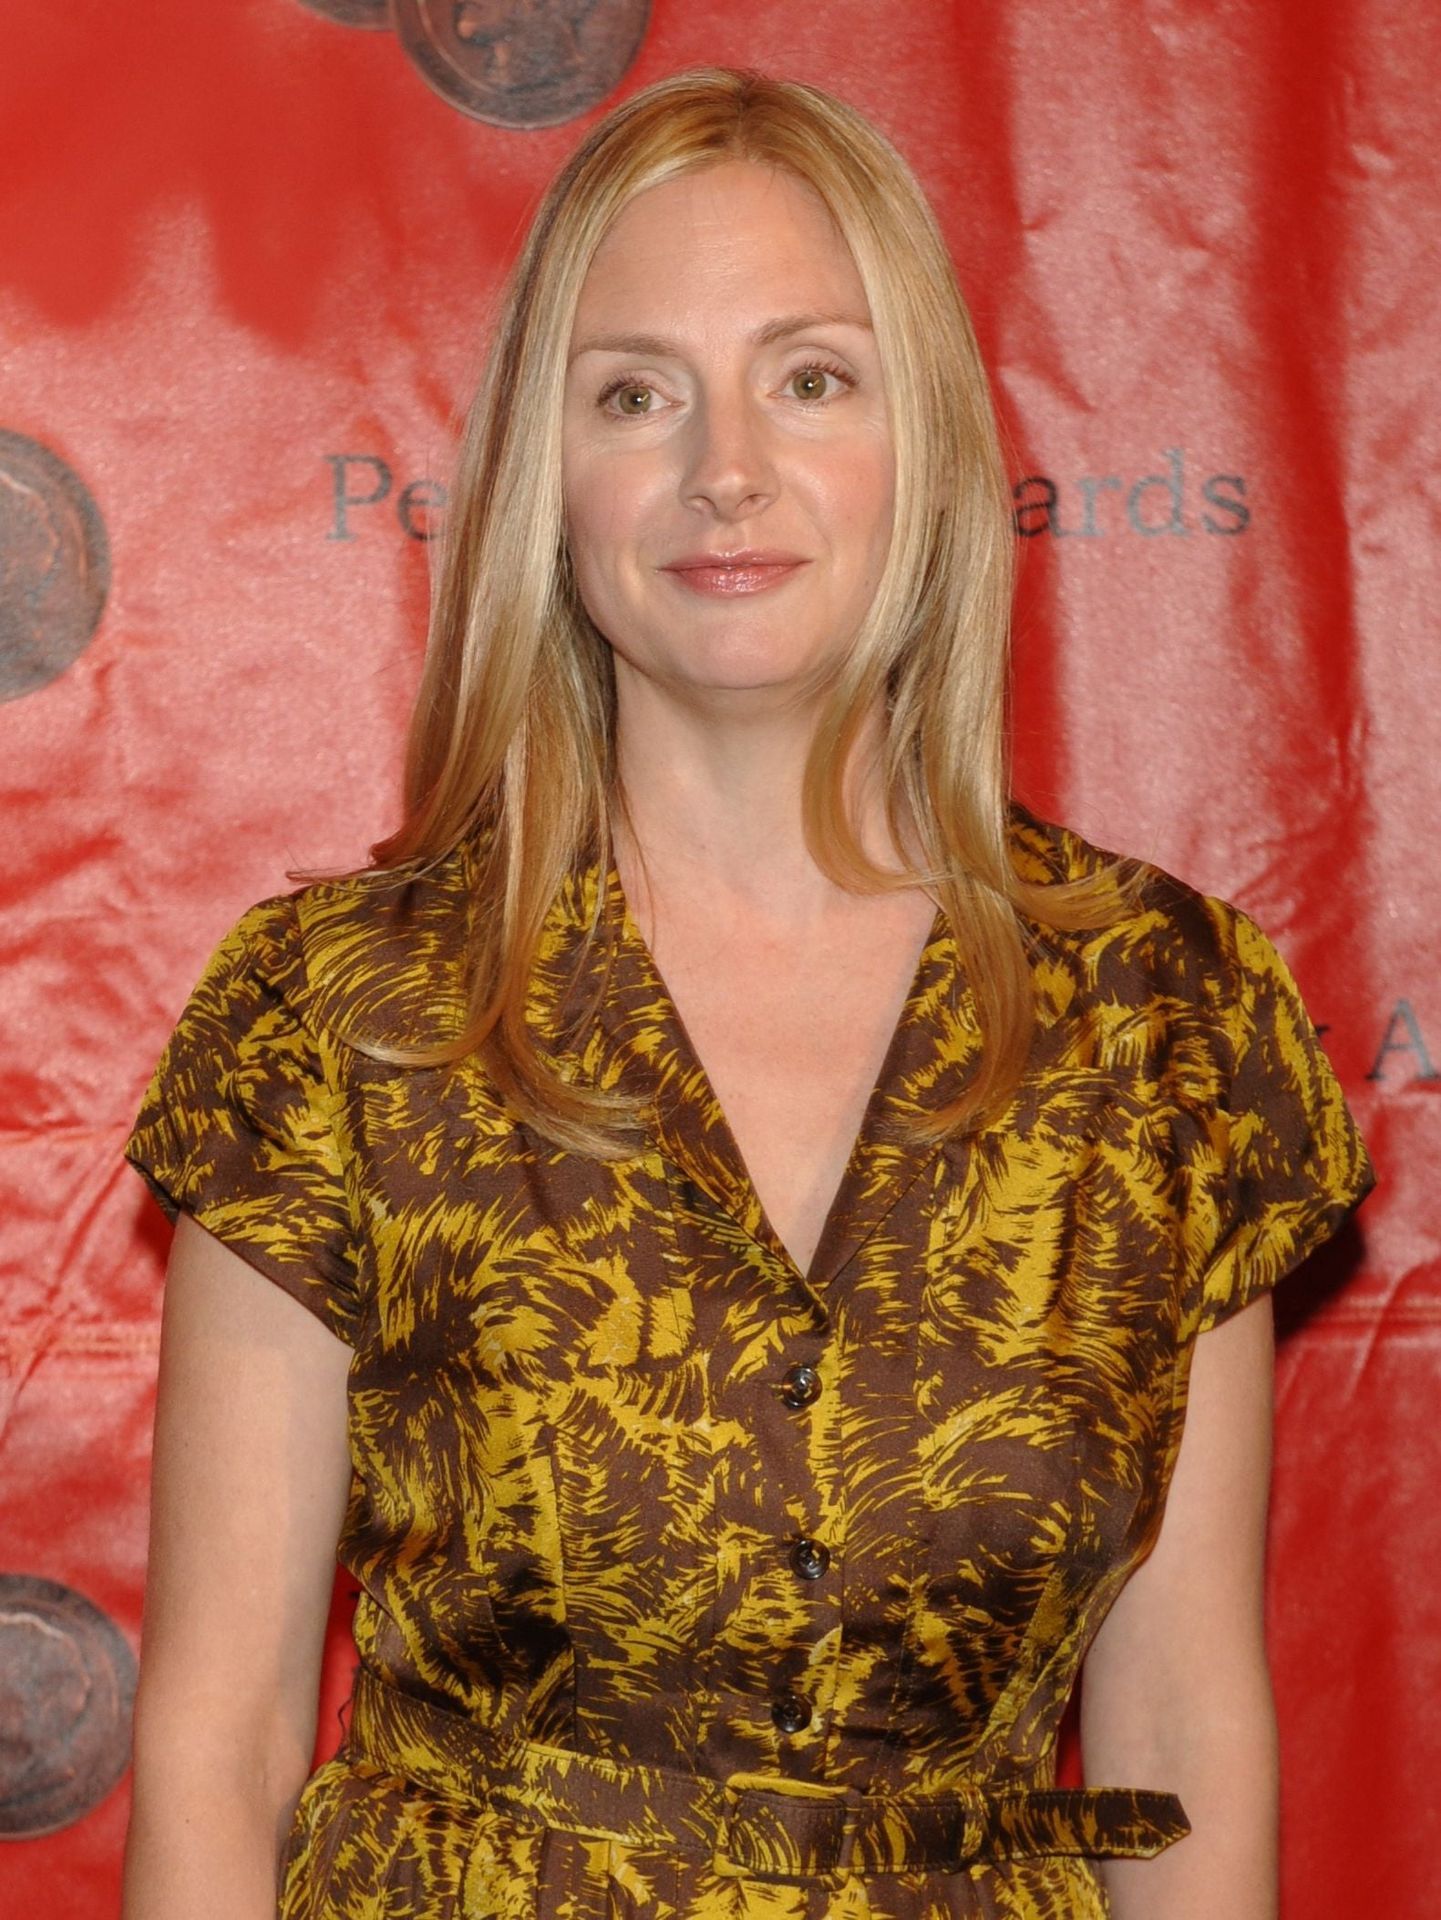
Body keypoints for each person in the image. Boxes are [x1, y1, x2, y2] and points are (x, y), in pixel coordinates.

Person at [119, 65, 1374, 1920]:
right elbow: (217, 1752)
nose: (724, 467)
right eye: (635, 393)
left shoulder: (1165, 1019)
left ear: (925, 443)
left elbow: (1180, 1728)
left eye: (810, 378)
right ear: (548, 482)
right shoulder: (343, 1017)